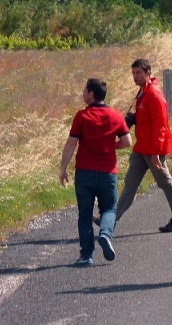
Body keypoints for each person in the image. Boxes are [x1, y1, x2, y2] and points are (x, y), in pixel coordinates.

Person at [59, 78, 132, 266]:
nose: (83, 93)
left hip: (85, 172)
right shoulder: (115, 116)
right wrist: (110, 145)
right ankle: (106, 234)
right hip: (108, 172)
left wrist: (63, 168)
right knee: (109, 208)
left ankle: (86, 255)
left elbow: (71, 143)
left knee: (85, 213)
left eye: (84, 91)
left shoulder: (81, 117)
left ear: (91, 94)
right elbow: (127, 142)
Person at [114, 58, 172, 232]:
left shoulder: (154, 94)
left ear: (148, 73)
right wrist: (134, 117)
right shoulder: (142, 93)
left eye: (138, 73)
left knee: (165, 183)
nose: (135, 76)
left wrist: (156, 153)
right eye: (133, 73)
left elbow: (161, 126)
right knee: (130, 185)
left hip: (154, 148)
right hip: (142, 147)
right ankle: (110, 220)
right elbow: (147, 118)